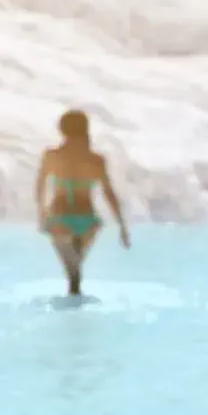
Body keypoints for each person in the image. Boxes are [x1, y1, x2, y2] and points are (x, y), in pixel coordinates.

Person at [35, 109, 129, 296]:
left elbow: (40, 186)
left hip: (59, 219)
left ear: (61, 129)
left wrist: (42, 213)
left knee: (72, 273)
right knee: (75, 271)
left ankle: (72, 297)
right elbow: (108, 193)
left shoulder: (52, 156)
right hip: (88, 222)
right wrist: (121, 225)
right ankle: (75, 290)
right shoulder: (96, 160)